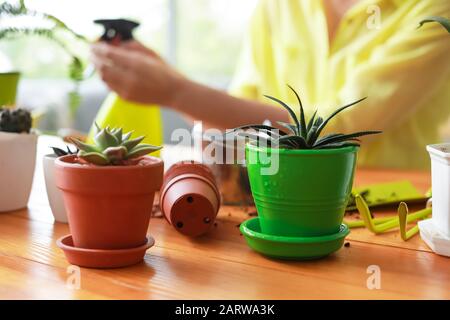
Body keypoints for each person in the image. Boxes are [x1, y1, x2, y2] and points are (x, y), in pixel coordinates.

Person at [91, 0, 450, 169]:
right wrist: (165, 80)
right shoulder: (279, 7)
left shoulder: (434, 9)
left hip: (394, 206)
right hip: (277, 197)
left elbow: (336, 130)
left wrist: (174, 91)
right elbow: (235, 129)